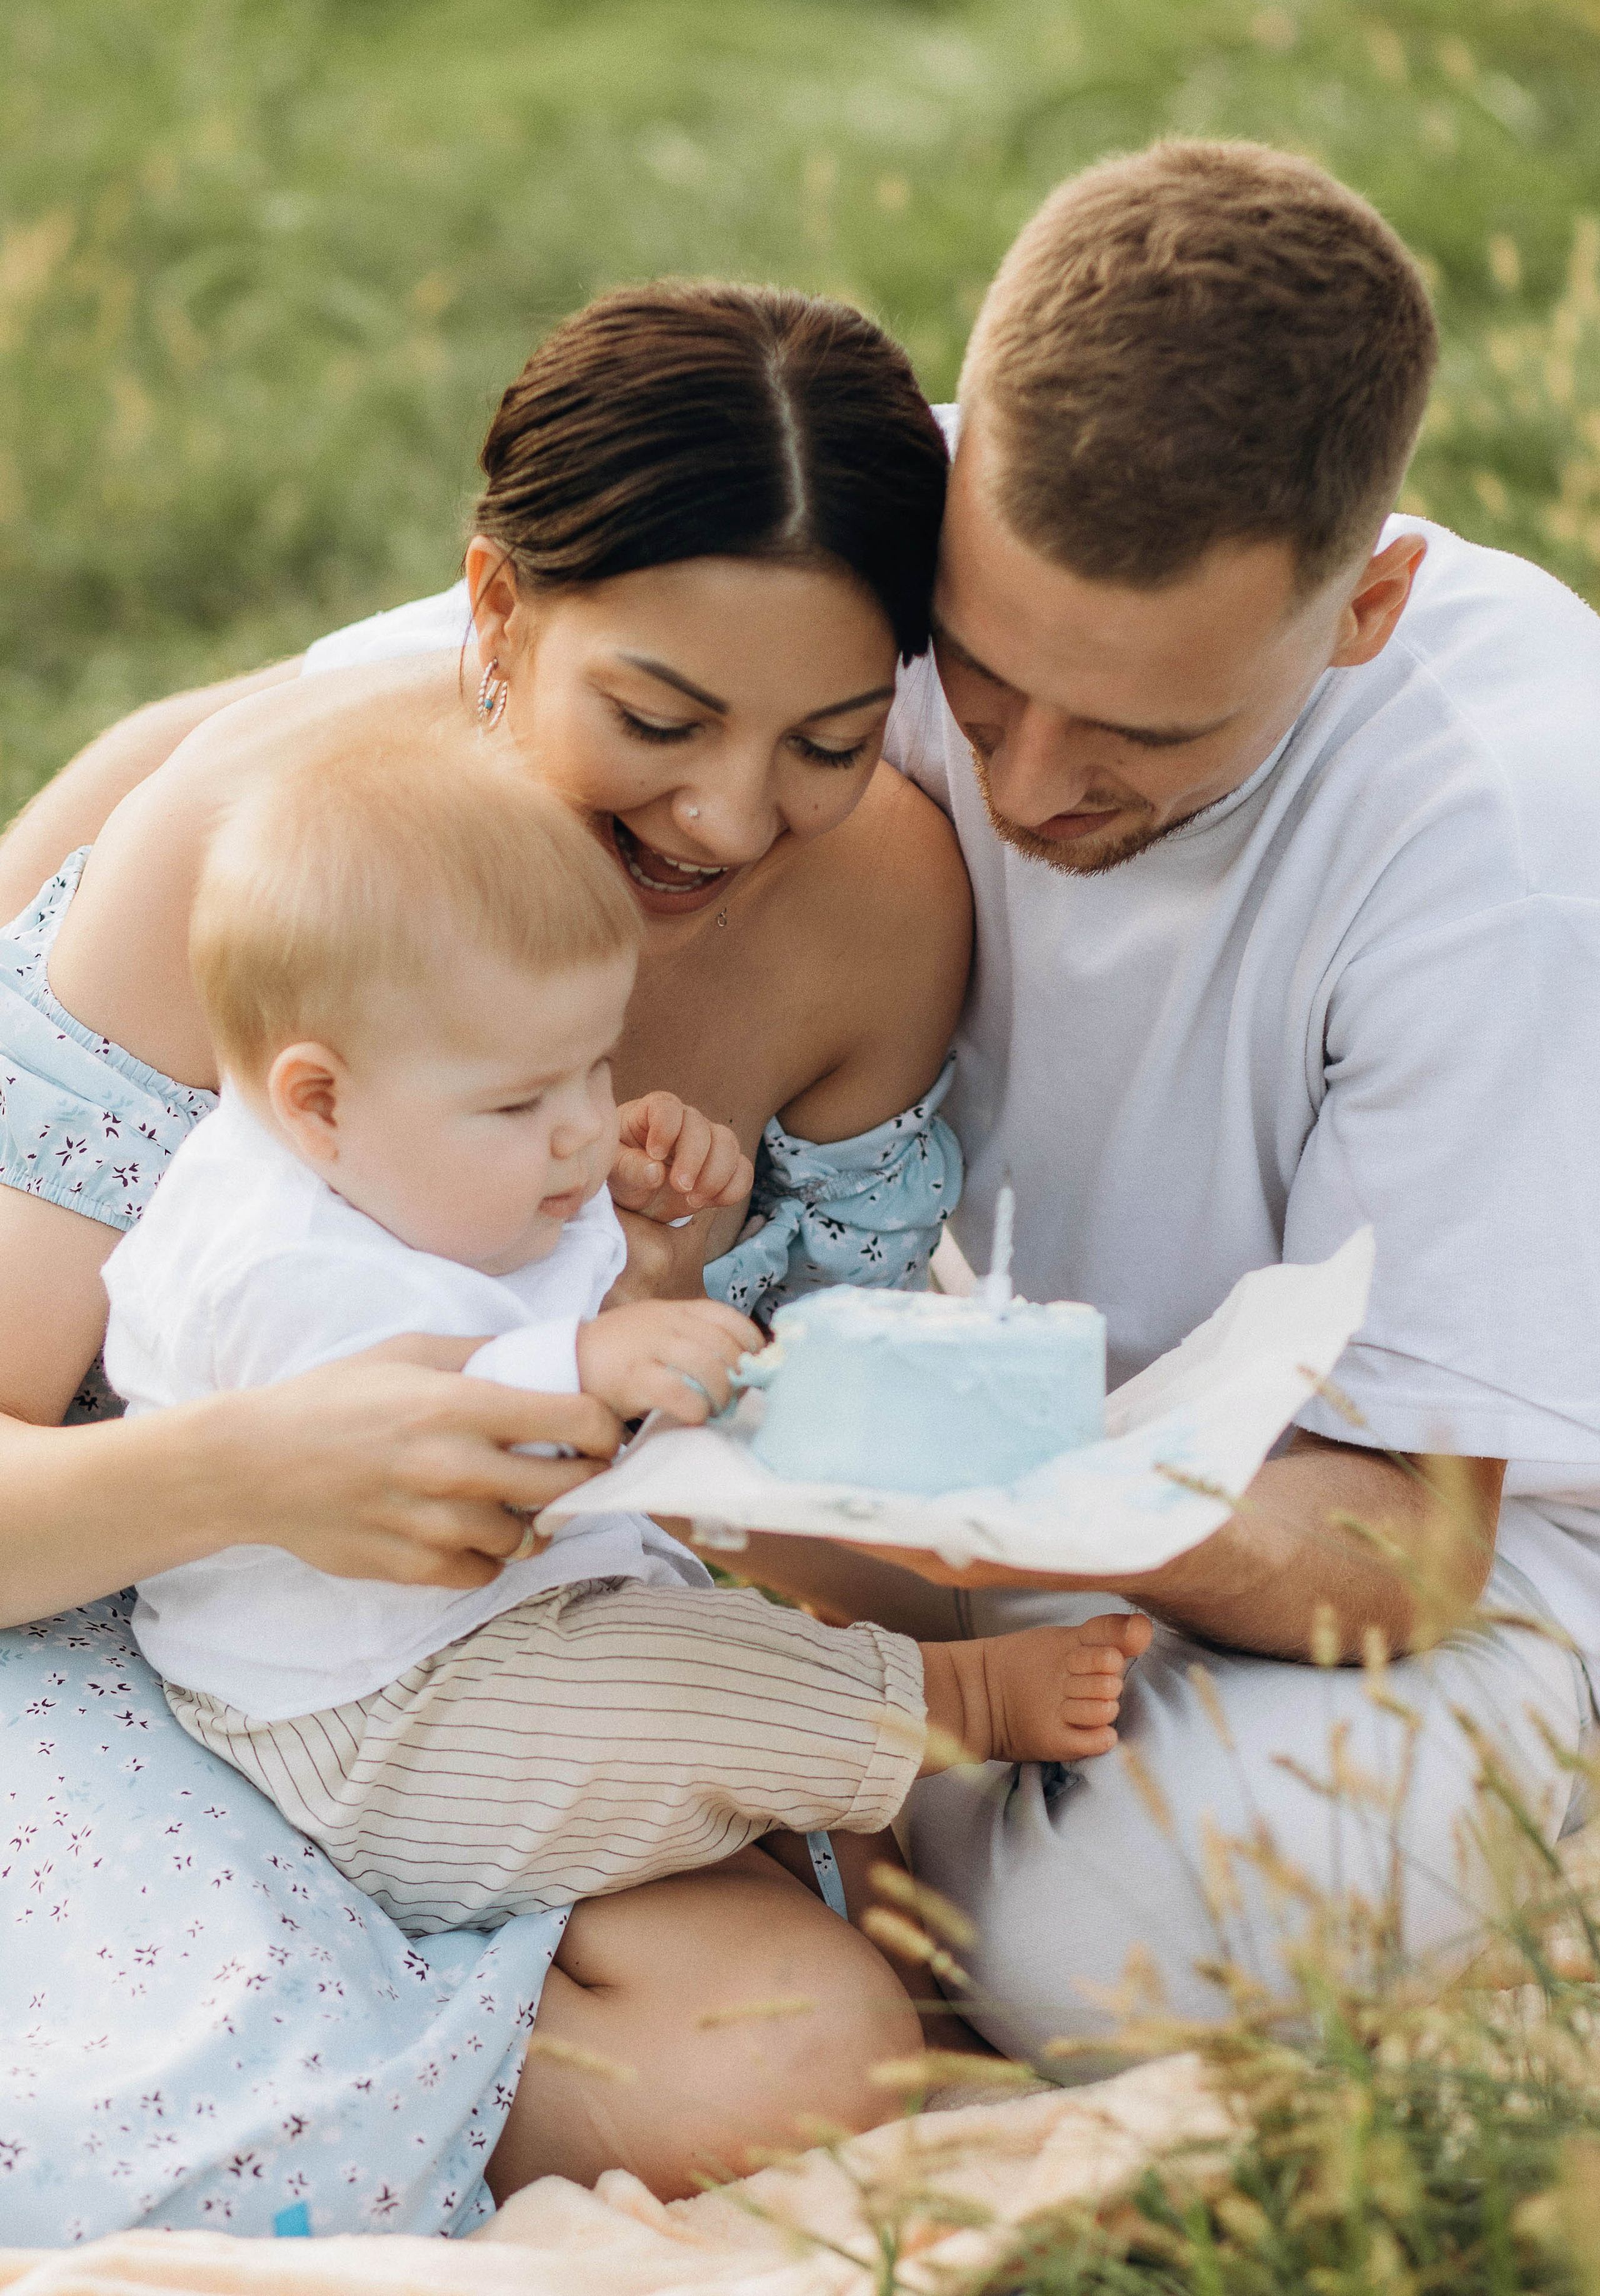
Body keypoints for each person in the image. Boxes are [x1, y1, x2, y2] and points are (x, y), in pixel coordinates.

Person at [0, 280, 978, 2221]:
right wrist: (249, 1473)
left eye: (831, 740)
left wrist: (683, 1340)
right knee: (142, 2089)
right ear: (500, 612)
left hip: (520, 1681)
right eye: (658, 718)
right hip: (129, 1622)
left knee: (808, 2061)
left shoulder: (873, 917)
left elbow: (849, 1510)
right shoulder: (261, 856)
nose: (726, 816)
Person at [734, 140, 1600, 2059]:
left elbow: (1407, 1548)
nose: (1031, 785)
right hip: (1023, 1432)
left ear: (1362, 609)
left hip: (1437, 1544)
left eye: (1147, 733)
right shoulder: (892, 521)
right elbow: (262, 747)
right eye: (976, 676)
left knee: (1112, 1962)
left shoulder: (1515, 833)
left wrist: (1018, 1495)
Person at [105, 745, 1144, 1932]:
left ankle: (863, 1878)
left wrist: (625, 1207)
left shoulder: (413, 1155)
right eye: (521, 1103)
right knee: (678, 1697)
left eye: (593, 1069)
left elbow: (521, 1271)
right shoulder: (265, 1261)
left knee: (735, 1728)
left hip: (519, 1626)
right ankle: (949, 1700)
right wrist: (588, 1361)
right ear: (318, 1102)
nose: (579, 1128)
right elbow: (406, 1427)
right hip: (374, 1718)